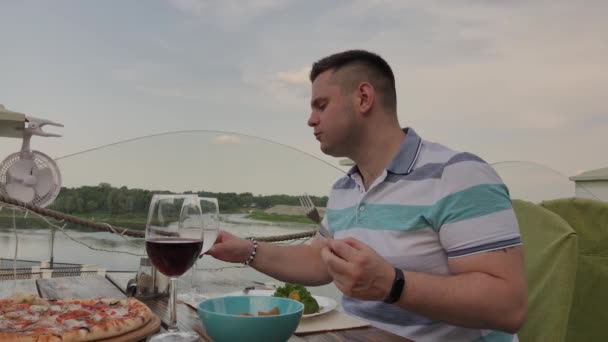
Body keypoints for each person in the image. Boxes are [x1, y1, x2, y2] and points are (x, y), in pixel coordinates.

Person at [208, 50, 527, 341]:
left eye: (321, 105)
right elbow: (319, 261)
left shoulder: (457, 175)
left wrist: (393, 284)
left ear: (363, 98)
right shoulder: (345, 188)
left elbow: (508, 307)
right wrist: (246, 250)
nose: (310, 120)